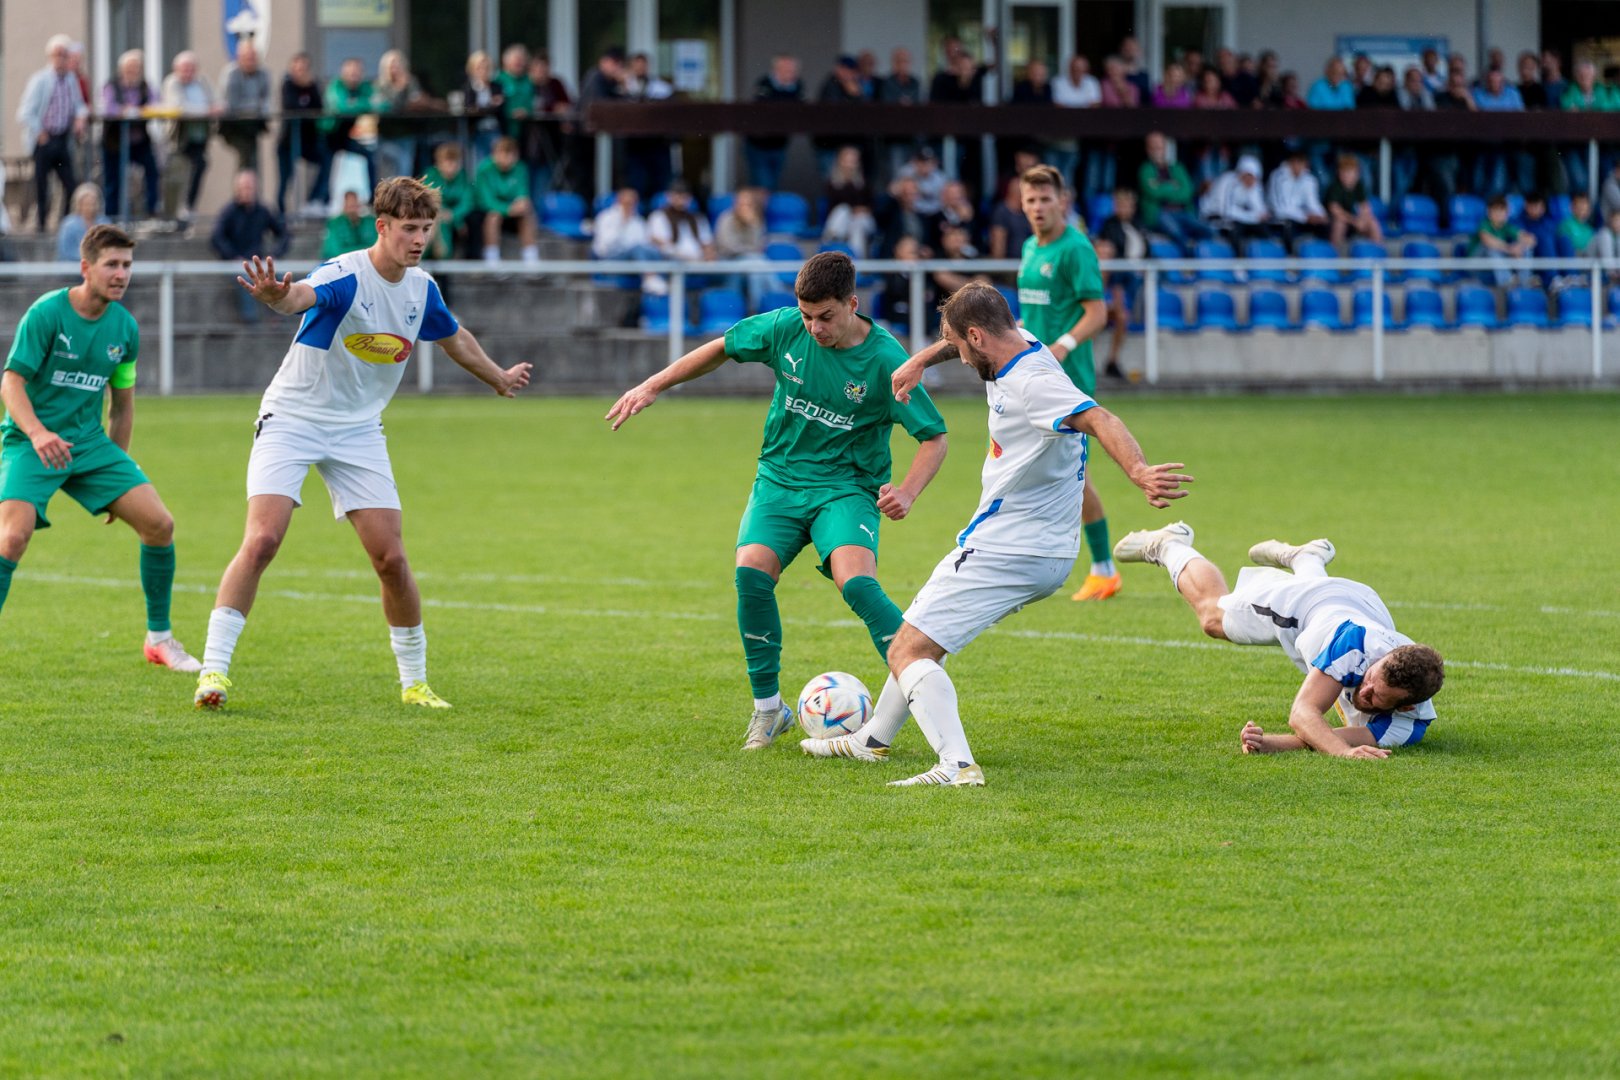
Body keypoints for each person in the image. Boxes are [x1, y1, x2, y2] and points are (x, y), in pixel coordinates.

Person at [806, 283, 1189, 785]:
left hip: (1008, 547)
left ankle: (956, 765)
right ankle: (872, 739)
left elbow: (1100, 418)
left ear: (977, 337)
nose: (963, 360)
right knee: (920, 634)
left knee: (907, 651)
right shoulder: (1018, 340)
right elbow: (959, 340)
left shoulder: (1032, 383)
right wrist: (920, 360)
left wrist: (1138, 471)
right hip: (1040, 548)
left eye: (962, 347)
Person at [197, 177, 532, 712]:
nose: (419, 239)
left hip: (357, 430)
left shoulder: (422, 288)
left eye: (426, 228)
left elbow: (454, 337)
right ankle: (213, 672)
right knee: (262, 541)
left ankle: (415, 683)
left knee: (391, 558)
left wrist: (497, 377)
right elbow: (301, 295)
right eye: (409, 228)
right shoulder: (347, 273)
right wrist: (277, 296)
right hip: (293, 418)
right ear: (382, 226)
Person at [605, 252, 950, 752]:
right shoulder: (785, 327)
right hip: (780, 479)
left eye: (825, 316)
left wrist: (908, 491)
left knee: (858, 585)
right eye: (807, 315)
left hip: (847, 487)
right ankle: (769, 710)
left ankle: (925, 693)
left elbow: (934, 437)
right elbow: (722, 347)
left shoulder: (885, 360)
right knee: (750, 572)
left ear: (852, 304)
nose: (814, 328)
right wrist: (653, 384)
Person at [0, 224, 200, 670]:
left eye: (127, 265)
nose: (121, 274)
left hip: (89, 446)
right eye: (112, 264)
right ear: (85, 267)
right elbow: (11, 383)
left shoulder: (125, 328)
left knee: (159, 525)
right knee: (12, 538)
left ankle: (159, 639)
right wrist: (38, 433)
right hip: (30, 441)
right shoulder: (46, 314)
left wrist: (118, 479)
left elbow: (122, 407)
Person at [1112, 522, 1443, 759]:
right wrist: (1344, 754)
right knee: (1213, 617)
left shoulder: (1407, 727)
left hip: (1350, 603)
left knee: (1349, 705)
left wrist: (1268, 743)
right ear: (1384, 658)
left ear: (1406, 706)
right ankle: (1171, 544)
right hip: (1305, 608)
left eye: (1377, 696)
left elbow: (1326, 737)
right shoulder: (1354, 648)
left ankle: (1308, 558)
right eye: (1370, 679)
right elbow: (1303, 714)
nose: (1364, 691)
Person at [1007, 165, 1120, 600]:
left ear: (1062, 202)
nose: (1038, 207)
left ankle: (1103, 568)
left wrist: (1063, 345)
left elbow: (1098, 312)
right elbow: (1036, 309)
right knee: (1023, 466)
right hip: (1029, 373)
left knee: (1074, 476)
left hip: (1066, 379)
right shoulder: (1029, 247)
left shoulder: (1076, 249)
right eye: (1030, 200)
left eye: (1045, 199)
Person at [16, 34, 88, 231]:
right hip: (45, 140)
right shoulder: (40, 80)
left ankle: (64, 223)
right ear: (50, 57)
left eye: (65, 55)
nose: (61, 59)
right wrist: (39, 131)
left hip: (62, 139)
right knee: (42, 185)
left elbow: (79, 105)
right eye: (58, 55)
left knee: (70, 184)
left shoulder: (71, 80)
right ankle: (41, 224)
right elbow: (25, 112)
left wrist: (80, 117)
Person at [211, 172, 288, 324]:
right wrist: (232, 256)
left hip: (258, 262)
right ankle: (250, 322)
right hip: (236, 263)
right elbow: (216, 237)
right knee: (246, 279)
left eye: (250, 187)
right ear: (237, 189)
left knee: (277, 277)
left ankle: (278, 317)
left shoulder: (263, 211)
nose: (247, 191)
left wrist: (274, 254)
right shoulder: (229, 211)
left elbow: (284, 234)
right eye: (244, 187)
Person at [101, 49, 161, 220]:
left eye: (136, 68)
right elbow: (108, 108)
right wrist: (124, 111)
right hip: (114, 141)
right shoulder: (111, 86)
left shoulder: (145, 87)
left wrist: (140, 111)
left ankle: (151, 211)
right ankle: (112, 216)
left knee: (152, 170)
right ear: (122, 69)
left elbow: (156, 104)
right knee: (113, 179)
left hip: (138, 140)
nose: (132, 71)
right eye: (129, 68)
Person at [160, 51, 218, 224]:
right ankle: (170, 214)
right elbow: (180, 108)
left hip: (199, 137)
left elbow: (216, 102)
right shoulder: (172, 83)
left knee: (200, 167)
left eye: (191, 69)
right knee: (176, 174)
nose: (188, 73)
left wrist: (211, 109)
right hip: (178, 139)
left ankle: (188, 208)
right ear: (176, 69)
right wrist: (205, 110)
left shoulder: (202, 82)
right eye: (184, 69)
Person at [1096, 187, 1146, 378]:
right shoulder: (1109, 227)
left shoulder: (1138, 224)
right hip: (1106, 293)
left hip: (1129, 283)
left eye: (1128, 205)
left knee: (1122, 315)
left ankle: (1112, 361)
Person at [276, 52, 331, 217]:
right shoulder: (287, 85)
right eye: (298, 68)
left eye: (304, 69)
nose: (301, 72)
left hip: (308, 141)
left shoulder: (312, 86)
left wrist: (310, 87)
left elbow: (319, 108)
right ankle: (280, 214)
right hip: (288, 142)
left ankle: (315, 199)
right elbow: (291, 106)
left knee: (326, 158)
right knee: (285, 179)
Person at [1138, 131, 1209, 248]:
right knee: (1175, 231)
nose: (1157, 150)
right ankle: (1189, 248)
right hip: (1160, 214)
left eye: (1159, 147)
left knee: (1207, 230)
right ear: (1148, 150)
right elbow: (1153, 192)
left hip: (1183, 212)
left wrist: (1161, 186)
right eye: (1153, 147)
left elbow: (1186, 193)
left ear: (1166, 147)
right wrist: (1173, 186)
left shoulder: (1178, 168)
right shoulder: (1145, 169)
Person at [475, 136, 539, 264]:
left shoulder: (521, 168)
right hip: (489, 213)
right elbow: (486, 201)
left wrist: (522, 204)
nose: (505, 158)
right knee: (493, 216)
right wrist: (508, 209)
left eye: (509, 154)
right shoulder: (484, 170)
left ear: (516, 156)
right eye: (502, 153)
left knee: (527, 214)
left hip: (513, 214)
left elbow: (522, 195)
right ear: (494, 154)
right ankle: (492, 259)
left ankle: (531, 258)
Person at [745, 54, 803, 192]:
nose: (791, 73)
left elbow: (798, 109)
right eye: (786, 69)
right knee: (763, 184)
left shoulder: (797, 86)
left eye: (793, 70)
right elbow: (764, 109)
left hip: (779, 144)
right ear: (776, 69)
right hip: (758, 144)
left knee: (773, 183)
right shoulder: (764, 83)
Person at [322, 58, 377, 199]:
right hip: (327, 136)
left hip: (346, 137)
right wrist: (358, 105)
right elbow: (340, 107)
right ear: (343, 73)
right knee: (325, 169)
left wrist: (353, 104)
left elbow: (375, 104)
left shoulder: (364, 88)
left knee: (369, 155)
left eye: (357, 72)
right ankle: (321, 199)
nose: (354, 75)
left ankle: (373, 197)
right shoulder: (335, 86)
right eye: (350, 72)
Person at [372, 49, 426, 181]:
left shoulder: (411, 82)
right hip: (387, 135)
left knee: (405, 171)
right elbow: (388, 107)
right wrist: (400, 89)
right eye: (392, 65)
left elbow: (416, 101)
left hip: (407, 133)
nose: (395, 69)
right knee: (389, 172)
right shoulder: (380, 85)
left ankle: (402, 195)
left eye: (398, 65)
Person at [219, 41, 271, 174]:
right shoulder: (231, 74)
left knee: (252, 159)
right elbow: (233, 104)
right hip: (233, 126)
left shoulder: (263, 73)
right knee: (245, 156)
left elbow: (267, 100)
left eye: (253, 57)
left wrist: (257, 109)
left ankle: (250, 185)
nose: (250, 61)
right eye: (247, 58)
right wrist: (255, 107)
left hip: (253, 126)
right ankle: (243, 186)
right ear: (239, 58)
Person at [421, 141, 474, 260]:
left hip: (453, 217)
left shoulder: (463, 178)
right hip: (434, 215)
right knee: (435, 221)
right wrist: (444, 213)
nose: (452, 167)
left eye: (455, 163)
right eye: (447, 163)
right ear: (438, 163)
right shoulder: (430, 176)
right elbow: (429, 200)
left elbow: (467, 202)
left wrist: (454, 216)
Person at [1202, 155, 1272, 244]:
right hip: (1214, 217)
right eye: (1248, 175)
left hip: (1238, 220)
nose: (1251, 180)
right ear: (1241, 173)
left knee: (1264, 230)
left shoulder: (1254, 185)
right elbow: (1225, 212)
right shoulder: (1227, 181)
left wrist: (1258, 216)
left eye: (1254, 177)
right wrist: (1253, 217)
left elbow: (1260, 211)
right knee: (1235, 230)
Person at [1268, 149, 1329, 247]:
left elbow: (1313, 202)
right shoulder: (1277, 177)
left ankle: (1325, 254)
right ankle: (1289, 255)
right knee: (1288, 225)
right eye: (1296, 162)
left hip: (1303, 218)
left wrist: (1321, 215)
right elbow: (1280, 209)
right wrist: (1305, 217)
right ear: (1290, 162)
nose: (1299, 166)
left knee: (1325, 225)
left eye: (1302, 163)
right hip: (1280, 218)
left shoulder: (1309, 179)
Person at [821, 145, 876, 256]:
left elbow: (872, 205)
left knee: (858, 223)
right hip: (843, 221)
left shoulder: (864, 183)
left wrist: (862, 210)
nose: (850, 165)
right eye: (847, 161)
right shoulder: (832, 184)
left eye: (853, 161)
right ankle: (834, 240)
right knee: (843, 210)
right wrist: (847, 182)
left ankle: (857, 257)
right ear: (840, 162)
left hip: (864, 220)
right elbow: (835, 204)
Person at [1473, 194, 1534, 286]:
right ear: (1488, 212)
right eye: (1495, 210)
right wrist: (1510, 249)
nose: (1499, 214)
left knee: (1526, 248)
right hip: (1477, 268)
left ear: (1507, 213)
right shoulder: (1484, 224)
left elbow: (1531, 239)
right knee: (1492, 248)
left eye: (1501, 210)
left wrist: (1519, 247)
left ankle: (1525, 281)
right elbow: (1488, 241)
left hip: (1494, 270)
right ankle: (1506, 282)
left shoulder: (1506, 226)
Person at [1323, 154, 1382, 246]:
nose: (1347, 175)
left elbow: (1365, 206)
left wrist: (1363, 219)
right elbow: (1335, 211)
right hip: (1331, 223)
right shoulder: (1334, 187)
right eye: (1344, 172)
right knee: (1339, 223)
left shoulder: (1358, 186)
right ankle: (1333, 251)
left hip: (1352, 221)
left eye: (1350, 172)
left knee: (1373, 222)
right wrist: (1354, 221)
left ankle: (1378, 250)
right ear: (1339, 173)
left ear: (1357, 174)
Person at [55, 183, 109, 262]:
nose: (90, 208)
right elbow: (66, 251)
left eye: (93, 204)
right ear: (79, 205)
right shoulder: (69, 225)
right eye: (86, 204)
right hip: (72, 266)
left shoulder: (104, 223)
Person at [321, 189, 378, 260]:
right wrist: (365, 250)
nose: (352, 210)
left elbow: (376, 247)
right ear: (344, 206)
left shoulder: (369, 222)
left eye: (355, 205)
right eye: (350, 206)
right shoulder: (334, 224)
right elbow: (335, 251)